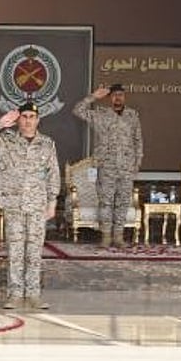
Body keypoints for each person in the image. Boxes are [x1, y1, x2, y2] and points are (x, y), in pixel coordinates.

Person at [0, 101, 60, 310]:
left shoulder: (47, 143)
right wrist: (0, 123)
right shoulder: (5, 140)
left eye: (32, 117)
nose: (28, 121)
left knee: (34, 251)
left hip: (37, 203)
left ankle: (34, 294)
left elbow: (53, 173)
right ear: (18, 119)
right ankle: (15, 294)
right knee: (15, 250)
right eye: (24, 117)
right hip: (13, 203)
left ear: (38, 120)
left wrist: (52, 202)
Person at [73, 83, 144, 248]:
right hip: (106, 166)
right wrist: (93, 97)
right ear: (109, 98)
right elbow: (78, 110)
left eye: (120, 95)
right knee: (106, 202)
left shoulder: (132, 116)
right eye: (114, 95)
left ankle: (118, 237)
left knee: (123, 202)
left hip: (126, 166)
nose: (117, 98)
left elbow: (138, 140)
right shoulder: (100, 114)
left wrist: (137, 162)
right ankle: (105, 236)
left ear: (124, 97)